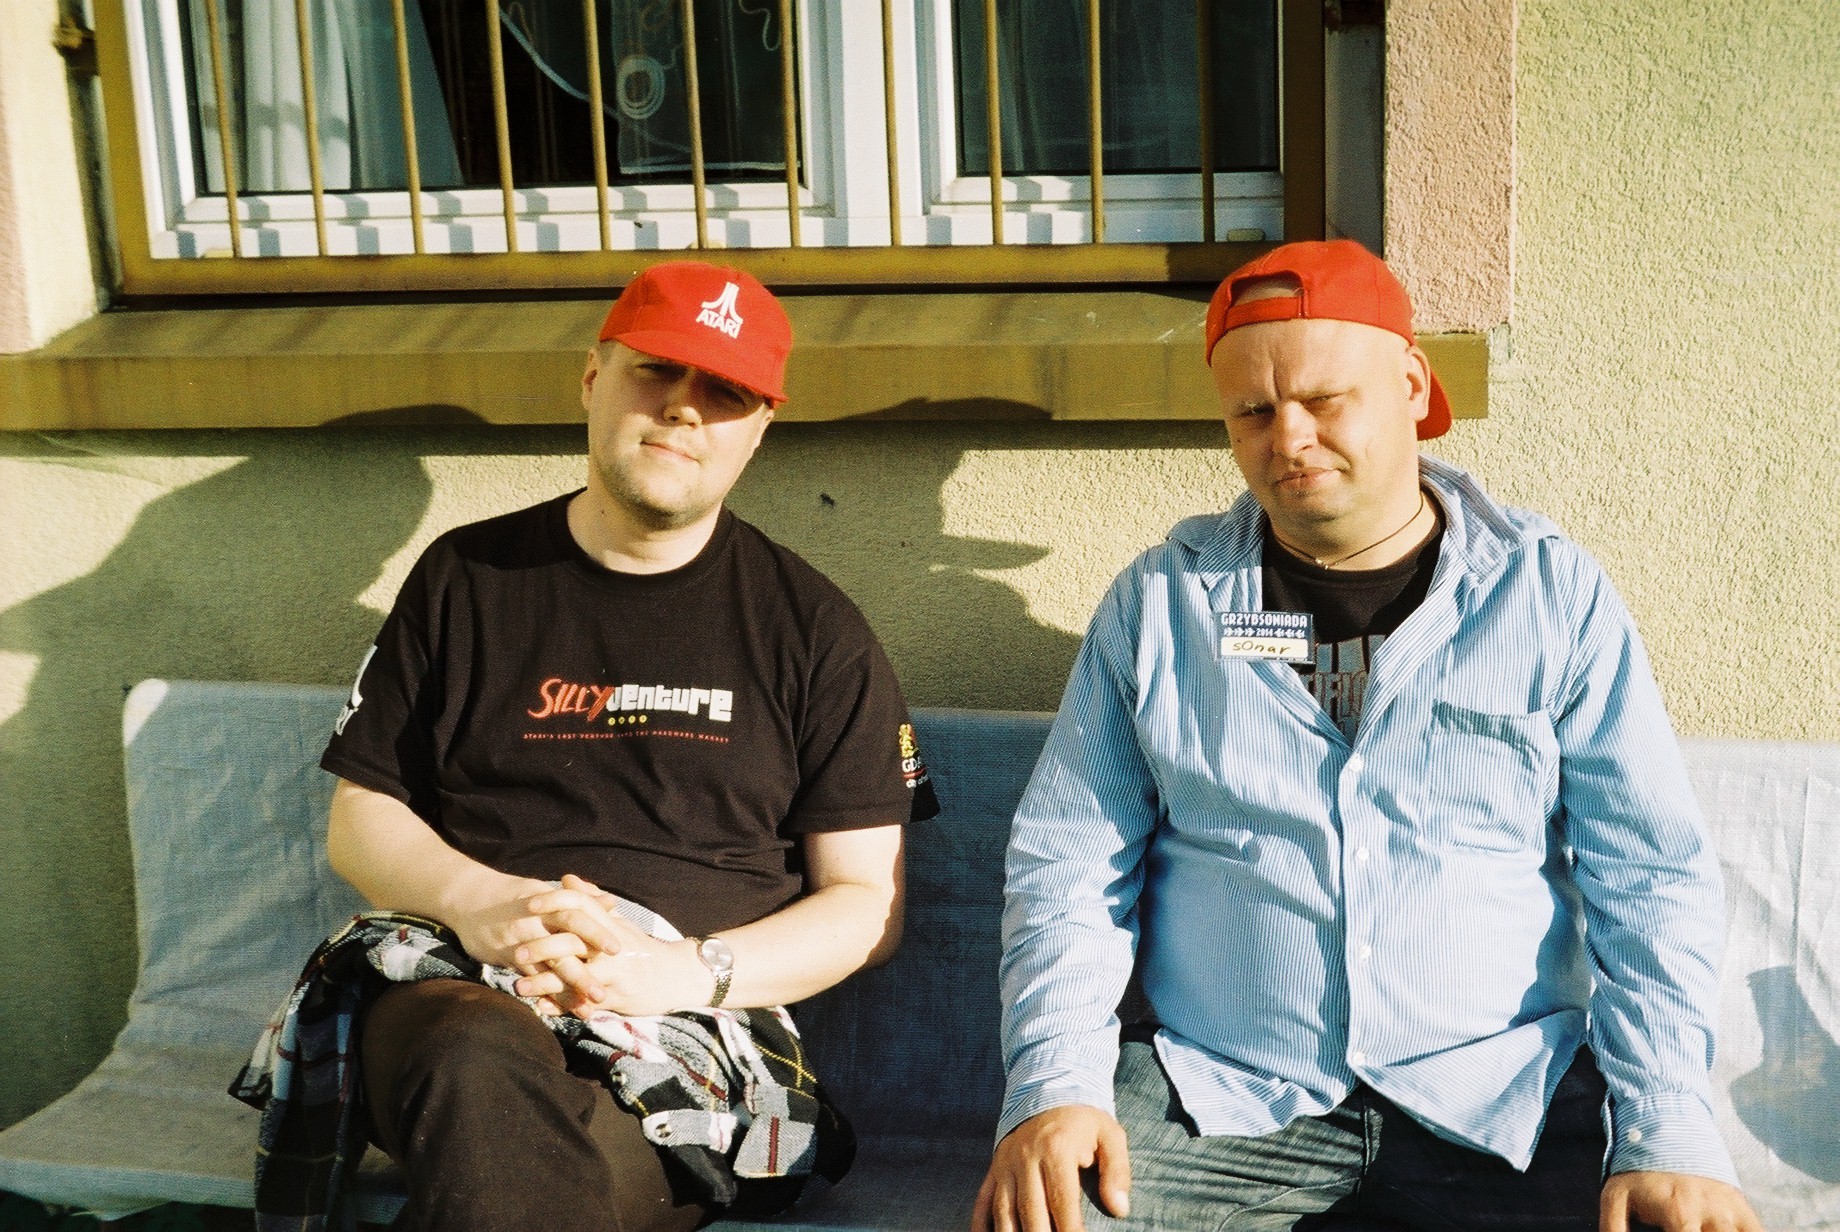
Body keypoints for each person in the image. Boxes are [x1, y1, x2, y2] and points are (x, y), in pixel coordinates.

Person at [971, 240, 1762, 1232]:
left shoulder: (1548, 595)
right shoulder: (1161, 605)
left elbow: (1648, 874)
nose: (1287, 437)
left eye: (1322, 399)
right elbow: (1068, 866)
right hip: (1222, 1096)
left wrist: (1667, 1128)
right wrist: (1054, 1086)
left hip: (1500, 1098)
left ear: (1412, 385)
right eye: (1252, 411)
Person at [319, 260, 936, 1231]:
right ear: (592, 378)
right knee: (474, 1061)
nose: (685, 408)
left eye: (725, 391)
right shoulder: (465, 578)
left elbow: (868, 902)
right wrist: (485, 906)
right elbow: (362, 815)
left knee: (528, 1178)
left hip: (688, 1036)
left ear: (759, 429)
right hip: (460, 991)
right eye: (657, 371)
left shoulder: (817, 631)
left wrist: (681, 970)